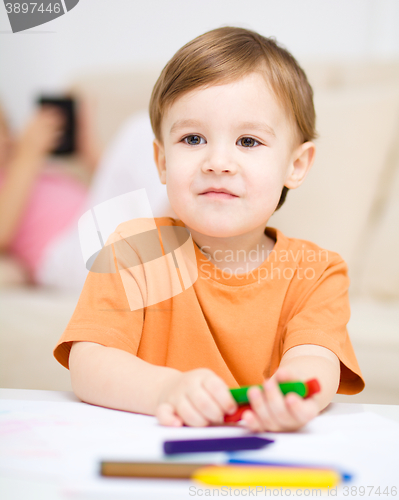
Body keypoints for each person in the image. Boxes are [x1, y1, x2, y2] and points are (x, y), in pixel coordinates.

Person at [54, 26, 365, 432]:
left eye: (248, 141)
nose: (218, 161)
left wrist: (289, 397)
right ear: (162, 161)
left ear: (296, 165)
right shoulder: (135, 251)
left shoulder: (317, 272)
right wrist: (166, 389)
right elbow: (90, 361)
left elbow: (315, 359)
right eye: (193, 138)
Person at [0, 101, 98, 284]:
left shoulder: (37, 167)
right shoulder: (24, 164)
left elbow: (106, 185)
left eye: (6, 127)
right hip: (67, 249)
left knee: (139, 130)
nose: (6, 138)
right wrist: (28, 154)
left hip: (101, 222)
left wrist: (85, 144)